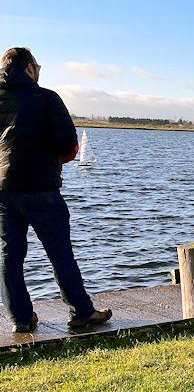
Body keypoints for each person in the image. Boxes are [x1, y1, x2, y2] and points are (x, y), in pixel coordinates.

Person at [0, 47, 112, 333]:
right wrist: (49, 161)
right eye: (37, 66)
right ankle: (82, 312)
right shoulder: (47, 98)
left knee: (9, 255)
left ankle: (21, 319)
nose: (39, 71)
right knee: (60, 252)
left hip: (3, 190)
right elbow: (69, 147)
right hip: (41, 187)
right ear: (28, 68)